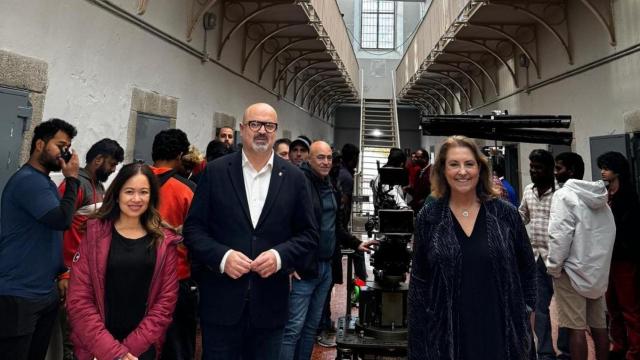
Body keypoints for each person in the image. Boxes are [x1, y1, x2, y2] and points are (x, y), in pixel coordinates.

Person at [184, 103, 318, 360]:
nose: (262, 131)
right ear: (242, 129)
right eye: (255, 124)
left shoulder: (294, 178)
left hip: (270, 307)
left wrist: (279, 257)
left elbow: (309, 234)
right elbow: (194, 229)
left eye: (269, 126)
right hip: (221, 304)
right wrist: (223, 258)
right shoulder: (215, 172)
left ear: (275, 132)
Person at [408, 136, 536, 360]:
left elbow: (527, 268)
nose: (462, 172)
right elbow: (420, 281)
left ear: (480, 168)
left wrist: (526, 317)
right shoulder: (430, 217)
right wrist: (419, 342)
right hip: (448, 333)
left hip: (501, 331)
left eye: (469, 164)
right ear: (442, 170)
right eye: (454, 164)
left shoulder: (505, 214)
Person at [66, 162, 180, 360]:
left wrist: (128, 350)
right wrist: (112, 353)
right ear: (117, 194)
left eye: (143, 192)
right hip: (96, 348)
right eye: (129, 191)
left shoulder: (164, 242)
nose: (136, 199)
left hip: (141, 348)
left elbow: (165, 304)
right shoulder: (94, 234)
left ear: (151, 196)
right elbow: (79, 300)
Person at [281, 141, 376, 360]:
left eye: (329, 158)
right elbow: (283, 223)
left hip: (325, 267)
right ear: (309, 159)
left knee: (311, 327)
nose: (326, 162)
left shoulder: (330, 183)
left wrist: (355, 243)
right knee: (293, 328)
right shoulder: (298, 182)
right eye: (320, 157)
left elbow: (335, 225)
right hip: (303, 268)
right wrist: (288, 262)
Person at [0, 118, 79, 360]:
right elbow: (62, 220)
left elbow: (48, 234)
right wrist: (73, 179)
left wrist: (62, 271)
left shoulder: (44, 182)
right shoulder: (28, 181)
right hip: (20, 295)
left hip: (43, 291)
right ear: (40, 144)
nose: (65, 152)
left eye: (68, 147)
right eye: (60, 145)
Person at [57, 138, 124, 359]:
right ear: (98, 160)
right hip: (71, 274)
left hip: (88, 274)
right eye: (112, 164)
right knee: (71, 338)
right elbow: (58, 230)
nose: (114, 169)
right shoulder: (73, 185)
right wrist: (63, 272)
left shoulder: (99, 187)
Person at [547, 152, 614, 360]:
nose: (555, 173)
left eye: (558, 168)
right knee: (599, 327)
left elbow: (560, 235)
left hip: (571, 272)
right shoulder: (600, 197)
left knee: (576, 329)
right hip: (596, 273)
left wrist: (554, 267)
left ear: (572, 171)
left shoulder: (563, 195)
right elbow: (608, 231)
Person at [149, 129, 198, 360]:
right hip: (175, 278)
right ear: (180, 156)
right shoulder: (187, 189)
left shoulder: (130, 180)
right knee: (177, 346)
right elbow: (196, 236)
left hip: (134, 276)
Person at [519, 149, 570, 360]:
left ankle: (565, 351)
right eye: (531, 167)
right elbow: (522, 215)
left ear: (550, 170)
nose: (533, 171)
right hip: (537, 258)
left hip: (561, 260)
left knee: (565, 309)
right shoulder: (529, 191)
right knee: (539, 308)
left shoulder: (562, 193)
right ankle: (546, 352)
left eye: (538, 168)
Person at [597, 152, 640, 360]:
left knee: (628, 305)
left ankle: (635, 349)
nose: (603, 171)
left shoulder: (629, 196)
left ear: (618, 170)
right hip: (608, 258)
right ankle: (619, 344)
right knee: (612, 304)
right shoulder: (606, 196)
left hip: (624, 258)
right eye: (602, 167)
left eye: (607, 167)